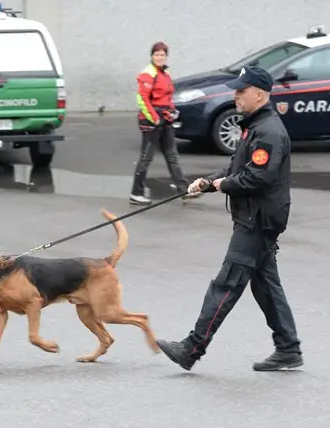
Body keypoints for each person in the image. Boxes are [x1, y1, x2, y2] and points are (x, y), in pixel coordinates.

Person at [155, 65, 303, 372]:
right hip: (256, 216)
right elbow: (238, 168)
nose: (236, 95)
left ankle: (191, 348)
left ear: (259, 94)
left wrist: (223, 184)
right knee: (265, 285)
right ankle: (288, 348)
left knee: (226, 284)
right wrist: (208, 182)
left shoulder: (269, 132)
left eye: (241, 91)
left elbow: (256, 177)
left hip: (258, 220)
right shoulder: (256, 127)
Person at [129, 41, 200, 206]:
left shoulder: (164, 74)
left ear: (166, 56)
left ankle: (184, 191)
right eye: (156, 54)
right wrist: (154, 118)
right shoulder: (148, 74)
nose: (159, 57)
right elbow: (142, 99)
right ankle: (136, 193)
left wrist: (173, 111)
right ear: (152, 56)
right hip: (152, 122)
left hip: (165, 120)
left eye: (162, 55)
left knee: (172, 156)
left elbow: (167, 98)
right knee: (146, 158)